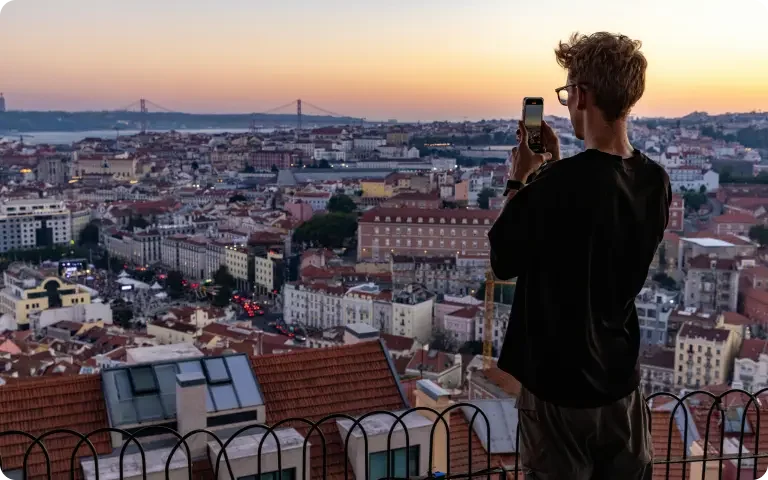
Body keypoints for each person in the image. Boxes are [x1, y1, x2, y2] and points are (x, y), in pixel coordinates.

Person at [488, 32, 671, 480]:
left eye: (568, 92)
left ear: (583, 95)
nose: (567, 103)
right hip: (620, 388)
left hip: (559, 391)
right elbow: (594, 221)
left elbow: (504, 258)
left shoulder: (556, 186)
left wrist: (521, 180)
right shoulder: (655, 181)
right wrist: (554, 169)